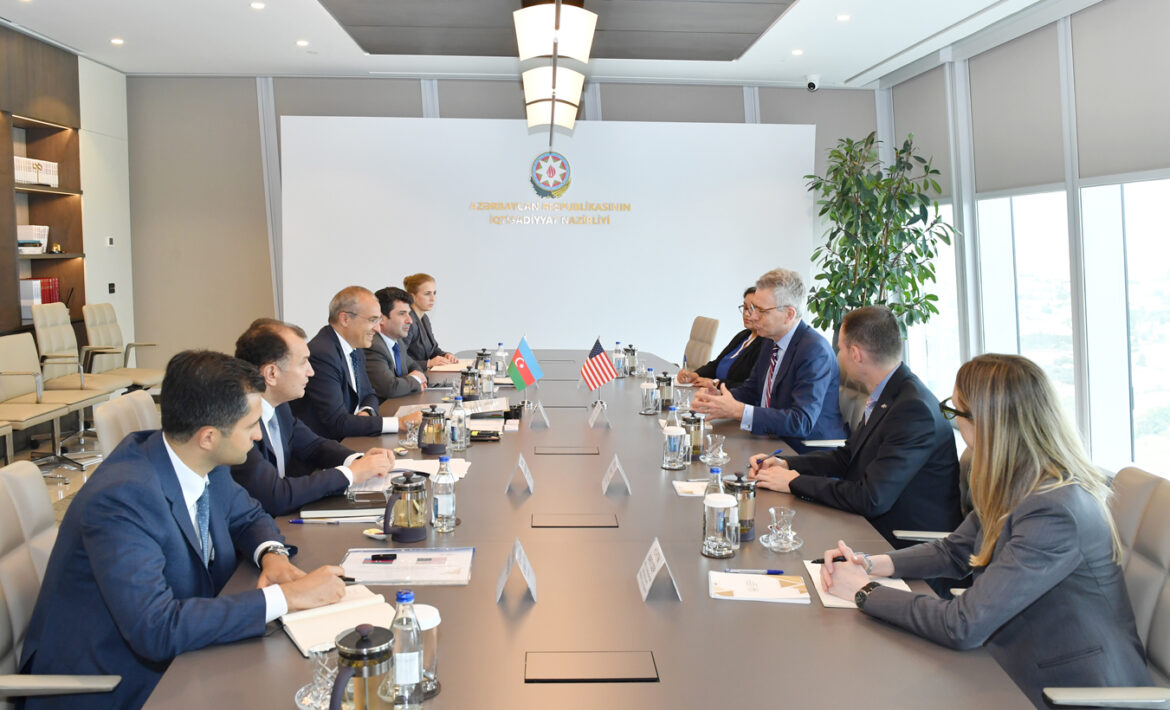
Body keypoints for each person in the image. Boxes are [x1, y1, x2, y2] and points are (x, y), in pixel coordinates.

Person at [18, 351, 348, 710]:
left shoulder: (198, 456)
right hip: (110, 681)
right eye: (251, 425)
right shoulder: (123, 498)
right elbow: (156, 629)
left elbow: (249, 515)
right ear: (208, 436)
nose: (258, 435)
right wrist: (286, 597)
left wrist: (273, 556)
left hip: (180, 656)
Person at [818, 354, 1151, 708]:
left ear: (987, 423)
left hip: (1073, 691)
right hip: (1014, 662)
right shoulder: (1020, 480)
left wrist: (864, 592)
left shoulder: (1054, 510)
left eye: (955, 411)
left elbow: (962, 624)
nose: (954, 421)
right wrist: (871, 564)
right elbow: (954, 550)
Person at [747, 305, 961, 548]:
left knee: (782, 542)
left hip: (900, 542)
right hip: (867, 524)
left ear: (856, 354)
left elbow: (871, 498)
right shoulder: (891, 393)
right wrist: (786, 464)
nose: (838, 356)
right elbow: (848, 457)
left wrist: (793, 482)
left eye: (840, 348)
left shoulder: (913, 411)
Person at [232, 318, 395, 515]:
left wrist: (358, 459)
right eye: (303, 362)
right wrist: (351, 473)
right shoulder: (238, 423)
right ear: (271, 374)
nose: (311, 372)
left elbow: (314, 446)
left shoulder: (280, 407)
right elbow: (274, 496)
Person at [690, 268, 847, 450]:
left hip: (804, 450)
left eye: (761, 311)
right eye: (753, 308)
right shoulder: (769, 340)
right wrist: (721, 399)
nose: (752, 316)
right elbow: (752, 390)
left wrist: (739, 411)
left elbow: (801, 421)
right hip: (768, 438)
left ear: (789, 314)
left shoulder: (814, 350)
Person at [290, 286, 419, 440]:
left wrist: (366, 412)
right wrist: (398, 423)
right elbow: (337, 422)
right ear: (345, 319)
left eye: (378, 320)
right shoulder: (323, 354)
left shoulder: (355, 347)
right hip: (330, 445)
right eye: (372, 320)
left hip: (353, 436)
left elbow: (369, 394)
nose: (377, 328)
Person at [677, 287, 769, 391]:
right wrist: (694, 375)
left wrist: (716, 383)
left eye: (751, 309)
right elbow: (716, 364)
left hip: (729, 397)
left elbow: (749, 387)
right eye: (744, 307)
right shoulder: (743, 335)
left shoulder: (764, 344)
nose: (746, 313)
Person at [365, 287, 428, 400]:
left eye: (409, 314)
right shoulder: (373, 346)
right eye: (402, 314)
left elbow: (414, 366)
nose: (410, 320)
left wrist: (415, 379)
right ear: (381, 319)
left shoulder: (397, 341)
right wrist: (416, 380)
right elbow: (390, 388)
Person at [402, 272, 458, 368]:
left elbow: (432, 349)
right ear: (412, 296)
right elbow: (399, 360)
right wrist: (428, 363)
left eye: (434, 293)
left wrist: (445, 355)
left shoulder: (424, 318)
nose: (433, 299)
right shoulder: (407, 321)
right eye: (427, 294)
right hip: (412, 375)